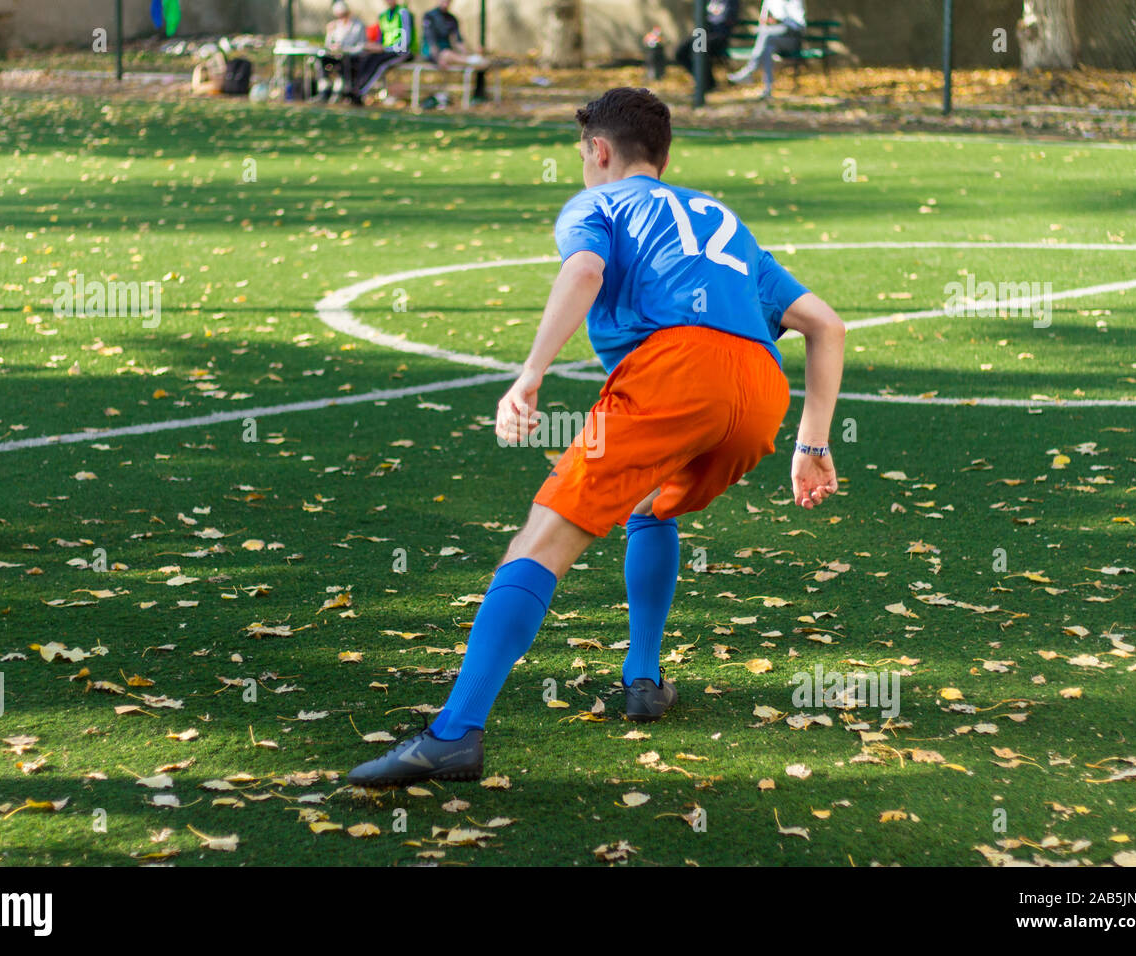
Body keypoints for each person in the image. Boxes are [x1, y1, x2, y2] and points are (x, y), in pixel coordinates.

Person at [347, 87, 845, 787]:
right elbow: (826, 325)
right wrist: (812, 445)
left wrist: (529, 375)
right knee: (651, 503)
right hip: (759, 394)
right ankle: (643, 678)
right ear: (662, 156)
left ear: (599, 151)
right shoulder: (723, 221)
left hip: (677, 374)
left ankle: (454, 735)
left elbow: (584, 270)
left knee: (539, 542)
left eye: (583, 155)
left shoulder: (601, 202)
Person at [728, 0, 806, 99]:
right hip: (773, 39)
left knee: (766, 35)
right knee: (767, 47)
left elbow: (797, 26)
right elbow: (763, 21)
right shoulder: (769, 2)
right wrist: (769, 22)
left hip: (791, 40)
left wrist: (778, 22)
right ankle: (767, 89)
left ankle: (750, 70)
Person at [348, 0, 417, 106]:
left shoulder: (403, 13)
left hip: (401, 51)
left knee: (379, 63)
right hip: (386, 50)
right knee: (365, 58)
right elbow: (381, 38)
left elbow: (406, 40)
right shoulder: (383, 15)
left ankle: (360, 92)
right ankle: (354, 88)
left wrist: (385, 48)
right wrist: (375, 46)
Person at [422, 0, 490, 101]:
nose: (446, 2)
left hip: (449, 54)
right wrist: (437, 59)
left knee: (478, 62)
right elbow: (431, 41)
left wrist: (467, 53)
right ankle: (472, 60)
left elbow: (459, 41)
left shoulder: (452, 18)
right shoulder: (429, 16)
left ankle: (478, 94)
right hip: (431, 54)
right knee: (447, 54)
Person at [675, 0, 740, 92]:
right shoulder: (708, 1)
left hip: (719, 36)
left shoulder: (730, 2)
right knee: (681, 53)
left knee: (700, 49)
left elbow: (728, 20)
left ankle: (708, 85)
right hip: (704, 35)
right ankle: (703, 80)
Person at [319, 1, 367, 103]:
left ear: (348, 13)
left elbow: (361, 46)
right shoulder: (336, 26)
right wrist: (329, 34)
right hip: (336, 56)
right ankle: (324, 89)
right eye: (339, 16)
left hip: (351, 57)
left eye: (343, 15)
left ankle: (340, 91)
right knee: (322, 60)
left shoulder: (358, 26)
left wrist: (346, 50)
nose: (341, 18)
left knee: (344, 62)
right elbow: (328, 45)